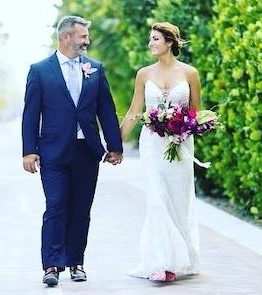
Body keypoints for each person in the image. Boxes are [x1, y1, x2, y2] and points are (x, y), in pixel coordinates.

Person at [22, 15, 123, 287]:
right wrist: (29, 151)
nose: (86, 41)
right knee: (55, 205)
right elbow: (30, 115)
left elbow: (107, 110)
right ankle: (51, 265)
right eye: (82, 36)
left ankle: (76, 262)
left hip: (87, 151)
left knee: (81, 208)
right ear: (66, 37)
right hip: (53, 152)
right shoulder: (40, 70)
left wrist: (115, 146)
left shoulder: (95, 69)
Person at [121, 22, 201, 282]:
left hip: (180, 144)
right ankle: (161, 263)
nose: (150, 43)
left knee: (177, 201)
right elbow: (134, 110)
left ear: (169, 41)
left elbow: (196, 113)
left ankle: (179, 258)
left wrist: (187, 127)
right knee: (156, 199)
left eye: (155, 39)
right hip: (153, 144)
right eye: (150, 39)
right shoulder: (144, 74)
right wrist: (115, 143)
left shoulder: (190, 73)